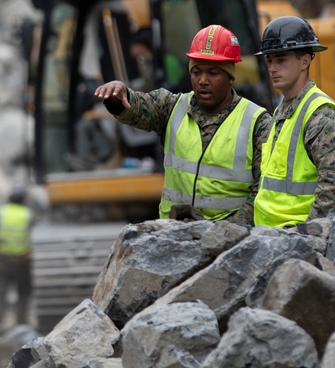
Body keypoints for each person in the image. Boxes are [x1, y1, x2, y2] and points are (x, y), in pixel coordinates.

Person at [93, 24, 272, 224]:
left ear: (230, 77)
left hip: (230, 242)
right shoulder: (171, 107)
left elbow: (263, 192)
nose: (203, 80)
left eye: (213, 73)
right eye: (196, 72)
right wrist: (119, 96)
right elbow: (139, 107)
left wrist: (226, 231)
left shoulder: (258, 123)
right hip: (175, 235)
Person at [253, 15, 335, 227]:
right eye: (269, 60)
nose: (272, 68)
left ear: (305, 60)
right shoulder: (282, 111)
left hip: (296, 239)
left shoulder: (320, 114)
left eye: (281, 59)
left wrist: (309, 232)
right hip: (271, 237)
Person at [0, 187, 33, 328]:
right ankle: (21, 324)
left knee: (0, 294)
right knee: (23, 294)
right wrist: (30, 252)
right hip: (22, 260)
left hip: (2, 259)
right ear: (23, 200)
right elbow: (35, 235)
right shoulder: (28, 214)